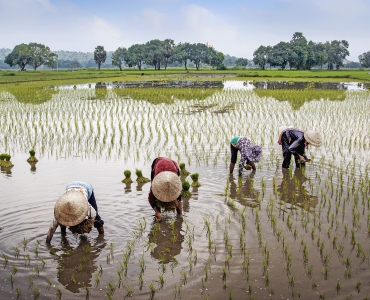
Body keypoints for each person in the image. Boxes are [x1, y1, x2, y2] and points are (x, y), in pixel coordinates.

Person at [148, 157, 183, 222]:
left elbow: (179, 200)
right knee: (155, 196)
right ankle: (159, 214)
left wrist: (180, 217)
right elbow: (151, 199)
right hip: (157, 163)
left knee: (178, 197)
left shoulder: (176, 186)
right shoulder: (156, 185)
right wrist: (157, 211)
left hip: (173, 164)